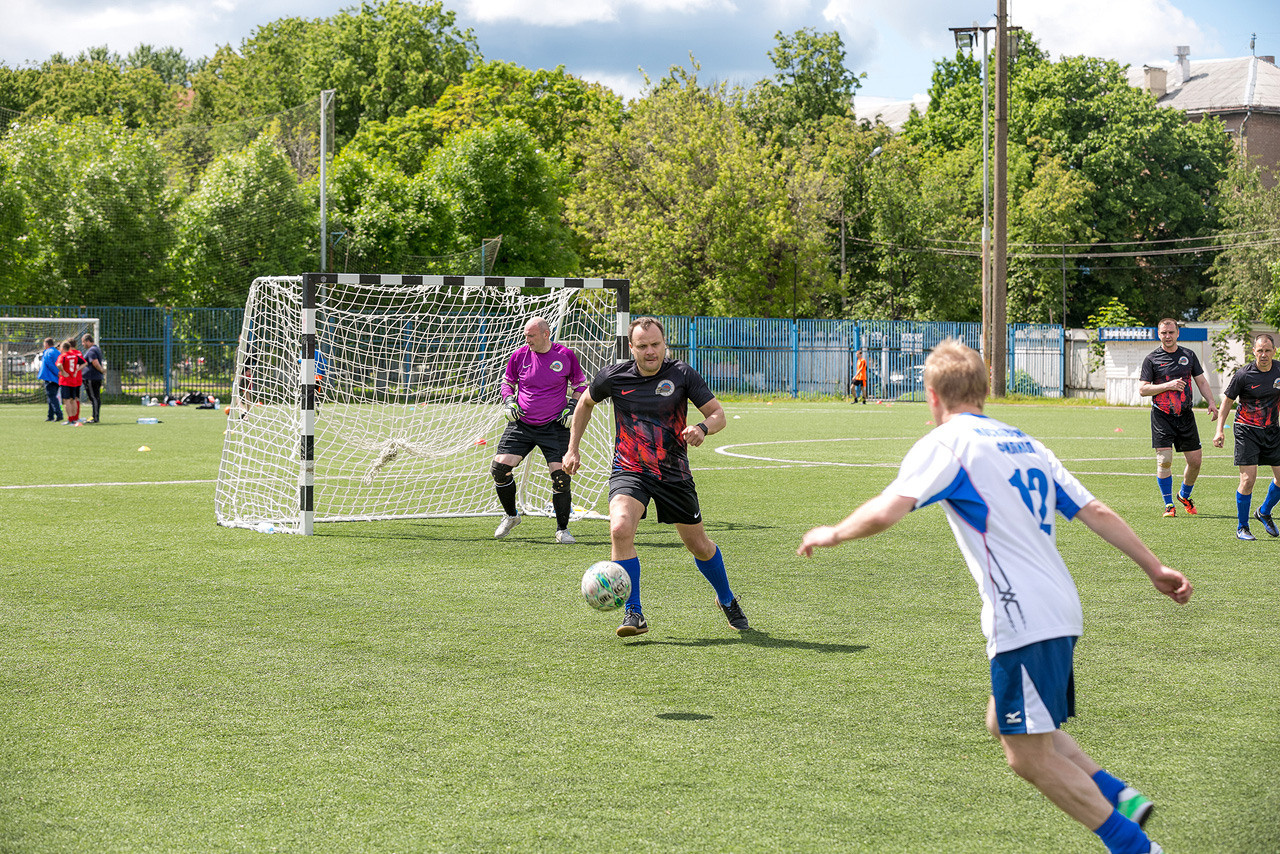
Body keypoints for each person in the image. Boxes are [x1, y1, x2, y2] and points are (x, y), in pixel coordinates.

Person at [797, 339, 1190, 854]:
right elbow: (1094, 511)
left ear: (932, 396)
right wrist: (1154, 567)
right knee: (1002, 720)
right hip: (1059, 606)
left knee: (1024, 755)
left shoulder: (948, 443)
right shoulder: (1024, 442)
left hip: (1022, 614)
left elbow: (889, 508)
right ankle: (1117, 793)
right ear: (984, 390)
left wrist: (834, 532)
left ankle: (1136, 847)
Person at [563, 316, 749, 637]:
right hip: (630, 469)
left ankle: (726, 598)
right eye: (643, 346)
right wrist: (572, 448)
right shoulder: (614, 376)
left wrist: (702, 428)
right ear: (631, 348)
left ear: (665, 344)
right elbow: (585, 402)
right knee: (620, 528)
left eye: (656, 345)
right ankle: (634, 612)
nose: (651, 352)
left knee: (699, 546)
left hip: (673, 474)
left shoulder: (682, 374)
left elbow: (718, 414)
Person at [491, 316, 587, 544]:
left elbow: (580, 385)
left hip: (554, 426)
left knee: (561, 477)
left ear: (546, 334)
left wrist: (571, 407)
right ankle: (511, 515)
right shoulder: (519, 355)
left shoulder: (565, 355)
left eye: (531, 335)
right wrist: (509, 402)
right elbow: (507, 382)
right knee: (499, 469)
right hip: (522, 423)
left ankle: (562, 529)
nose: (527, 339)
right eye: (526, 335)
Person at [1137, 319, 1218, 517]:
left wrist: (1211, 402)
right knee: (1164, 460)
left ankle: (1184, 495)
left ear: (1178, 333)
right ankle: (1169, 505)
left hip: (1185, 415)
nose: (1168, 336)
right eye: (1164, 333)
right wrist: (1168, 385)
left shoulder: (1188, 355)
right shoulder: (1151, 359)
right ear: (1159, 334)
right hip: (1162, 415)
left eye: (1171, 332)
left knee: (1195, 461)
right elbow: (1143, 389)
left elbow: (1200, 380)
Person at [1212, 332, 1280, 540]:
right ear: (1254, 352)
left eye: (1268, 350)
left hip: (1272, 430)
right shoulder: (1243, 375)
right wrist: (1219, 430)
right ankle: (1242, 527)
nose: (1264, 354)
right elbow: (1227, 402)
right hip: (1246, 430)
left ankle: (1264, 512)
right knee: (1248, 479)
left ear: (1274, 351)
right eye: (1260, 350)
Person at [56, 339, 85, 426]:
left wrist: (63, 371)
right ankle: (75, 419)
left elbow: (58, 365)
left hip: (65, 381)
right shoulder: (75, 355)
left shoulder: (63, 356)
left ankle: (70, 419)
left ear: (63, 348)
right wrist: (76, 370)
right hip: (74, 381)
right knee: (74, 400)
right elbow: (84, 363)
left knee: (67, 401)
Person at [81, 333, 105, 423]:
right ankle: (94, 416)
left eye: (83, 342)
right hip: (94, 377)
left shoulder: (91, 351)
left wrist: (102, 370)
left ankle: (95, 417)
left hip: (92, 378)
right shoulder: (96, 349)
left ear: (88, 341)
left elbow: (95, 362)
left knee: (94, 397)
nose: (83, 344)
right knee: (95, 397)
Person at [38, 337, 63, 422]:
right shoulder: (57, 352)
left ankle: (59, 414)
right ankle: (50, 415)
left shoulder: (48, 352)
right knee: (51, 396)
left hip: (50, 377)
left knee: (52, 396)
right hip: (56, 378)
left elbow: (49, 364)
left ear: (47, 344)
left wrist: (57, 373)